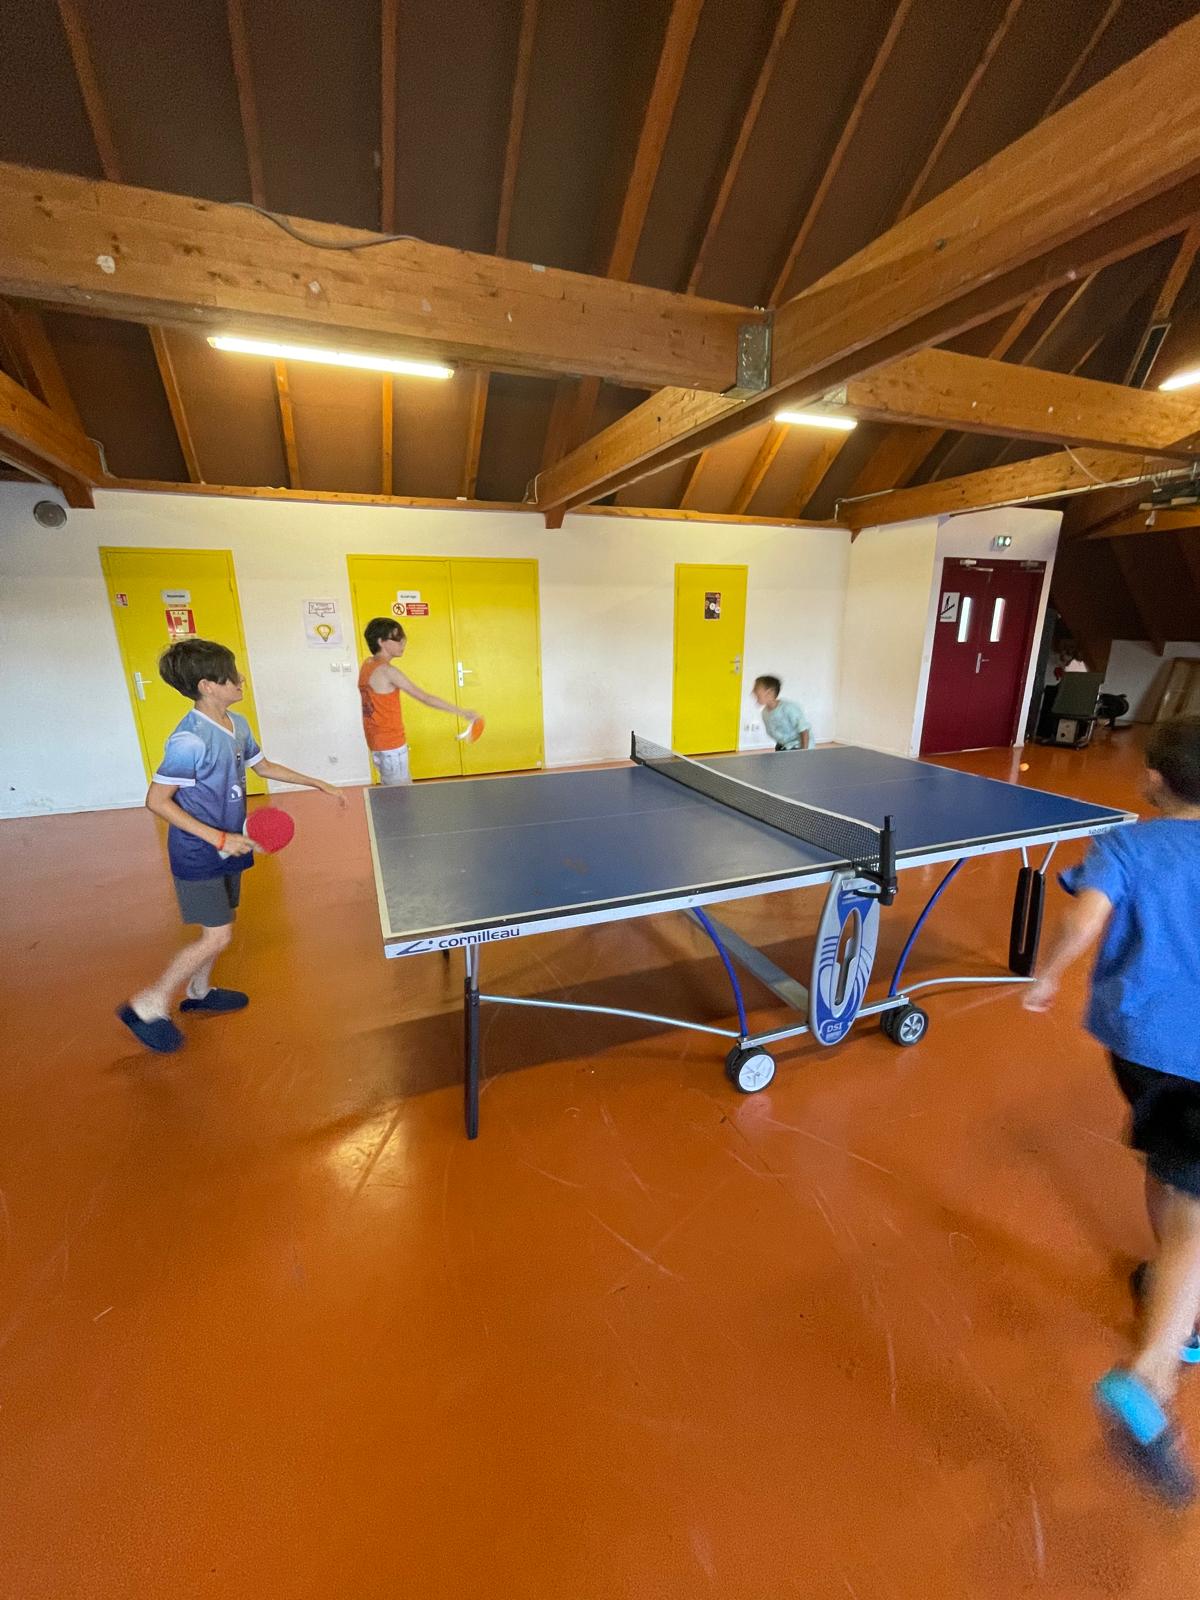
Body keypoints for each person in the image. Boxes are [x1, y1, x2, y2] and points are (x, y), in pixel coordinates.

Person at [1024, 717, 1200, 1504]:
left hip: (1135, 1047)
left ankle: (1168, 1277)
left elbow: (1083, 918)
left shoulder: (1127, 845)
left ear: (1156, 780)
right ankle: (1152, 1373)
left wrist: (1048, 976)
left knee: (1172, 1166)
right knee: (1199, 1204)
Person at [117, 637, 343, 1054]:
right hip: (198, 852)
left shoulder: (236, 724)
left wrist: (317, 782)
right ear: (207, 685)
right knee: (217, 937)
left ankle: (200, 991)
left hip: (232, 846)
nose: (240, 679)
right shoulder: (189, 740)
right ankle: (148, 1004)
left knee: (221, 925)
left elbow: (263, 766)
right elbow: (157, 801)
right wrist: (218, 838)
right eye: (229, 675)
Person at [359, 617, 479, 785]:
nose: (403, 642)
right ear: (381, 641)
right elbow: (425, 698)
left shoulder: (367, 664)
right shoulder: (387, 671)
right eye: (397, 638)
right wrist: (463, 712)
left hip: (376, 742)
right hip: (391, 744)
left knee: (391, 790)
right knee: (400, 794)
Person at [752, 675, 811, 751]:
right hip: (783, 745)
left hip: (798, 745)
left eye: (756, 688)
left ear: (769, 693)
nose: (753, 691)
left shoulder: (789, 708)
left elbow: (804, 730)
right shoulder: (764, 713)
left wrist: (804, 753)